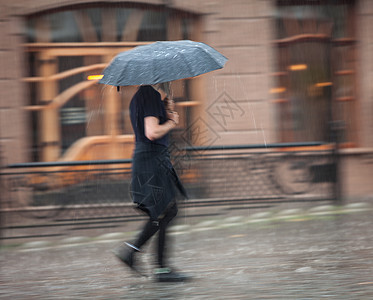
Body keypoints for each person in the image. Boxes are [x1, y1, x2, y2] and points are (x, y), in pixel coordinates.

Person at [114, 83, 189, 282]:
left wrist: (166, 108)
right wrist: (172, 122)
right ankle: (158, 267)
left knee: (164, 212)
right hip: (151, 161)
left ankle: (137, 256)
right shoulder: (149, 94)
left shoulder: (146, 96)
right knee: (165, 211)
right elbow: (152, 132)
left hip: (152, 159)